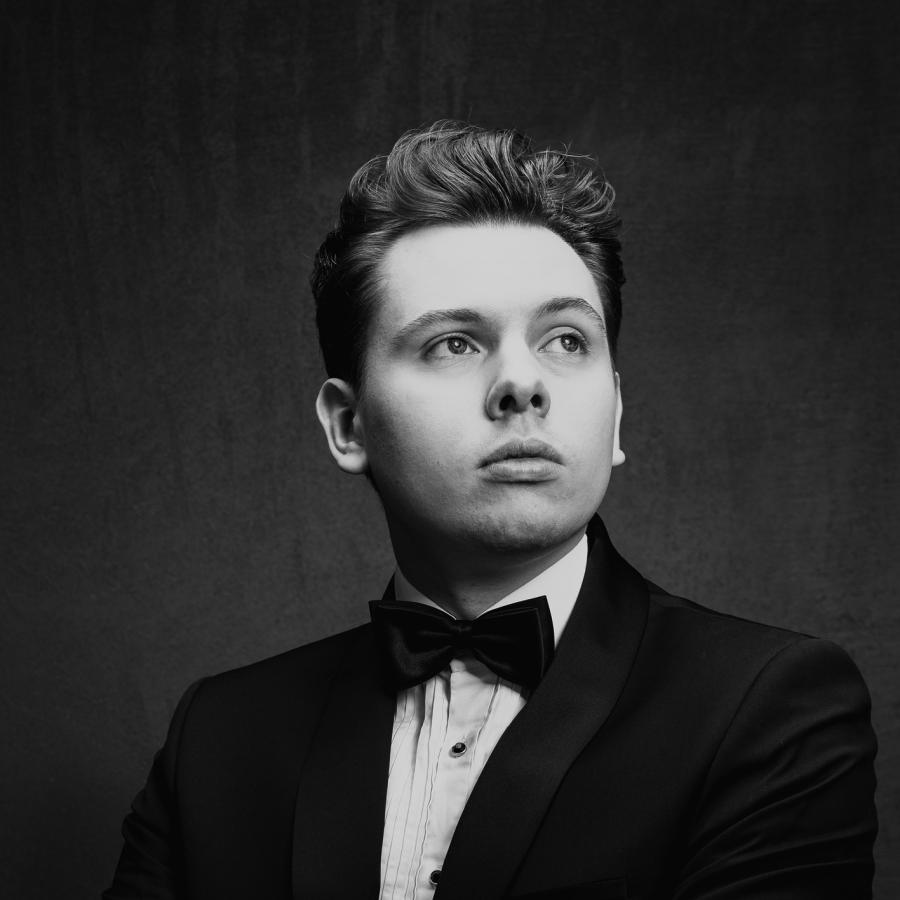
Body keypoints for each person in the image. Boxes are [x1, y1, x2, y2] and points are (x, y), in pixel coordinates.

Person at [105, 121, 877, 899]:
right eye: (453, 343)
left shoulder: (770, 704)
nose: (524, 383)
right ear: (348, 425)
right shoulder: (219, 736)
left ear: (615, 415)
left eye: (566, 340)